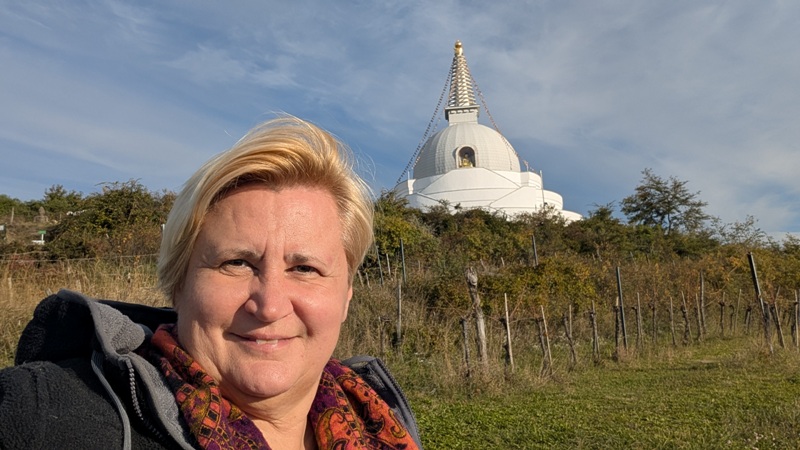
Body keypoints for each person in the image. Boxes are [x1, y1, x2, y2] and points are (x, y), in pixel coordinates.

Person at [0, 117, 422, 449]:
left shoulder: (381, 418)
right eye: (236, 263)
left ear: (346, 296)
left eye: (305, 269)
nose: (270, 306)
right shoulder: (44, 412)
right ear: (177, 283)